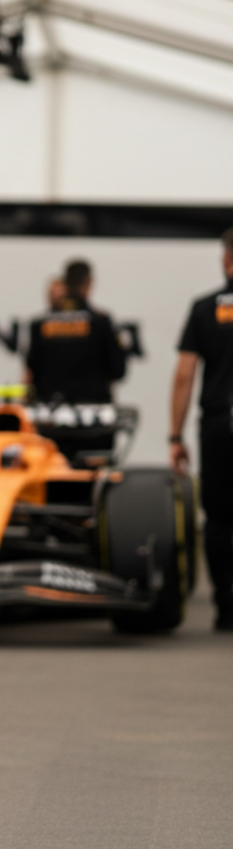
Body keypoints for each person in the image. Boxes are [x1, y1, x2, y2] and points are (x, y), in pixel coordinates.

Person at [170, 227, 233, 631]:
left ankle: (226, 609)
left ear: (226, 260)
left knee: (220, 518)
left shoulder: (205, 307)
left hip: (220, 423)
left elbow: (184, 374)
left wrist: (174, 437)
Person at [23, 259, 126, 458]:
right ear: (89, 283)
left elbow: (31, 372)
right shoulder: (101, 322)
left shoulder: (40, 324)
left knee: (53, 481)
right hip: (94, 422)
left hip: (51, 420)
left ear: (65, 282)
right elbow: (118, 370)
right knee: (91, 482)